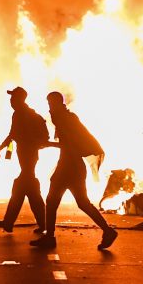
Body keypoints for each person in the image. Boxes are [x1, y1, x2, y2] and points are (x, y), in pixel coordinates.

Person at [30, 92, 117, 250]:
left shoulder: (64, 119)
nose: (49, 107)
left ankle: (50, 237)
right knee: (81, 203)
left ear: (56, 103)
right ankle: (107, 230)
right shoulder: (66, 117)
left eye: (50, 104)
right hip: (73, 166)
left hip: (68, 167)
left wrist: (47, 144)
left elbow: (69, 145)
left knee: (53, 202)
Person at [0, 87, 48, 234]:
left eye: (13, 98)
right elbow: (13, 136)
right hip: (27, 155)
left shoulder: (21, 114)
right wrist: (5, 150)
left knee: (22, 188)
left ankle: (9, 222)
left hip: (28, 155)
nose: (10, 101)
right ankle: (41, 224)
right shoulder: (21, 113)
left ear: (19, 99)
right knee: (31, 191)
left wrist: (0, 149)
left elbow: (13, 135)